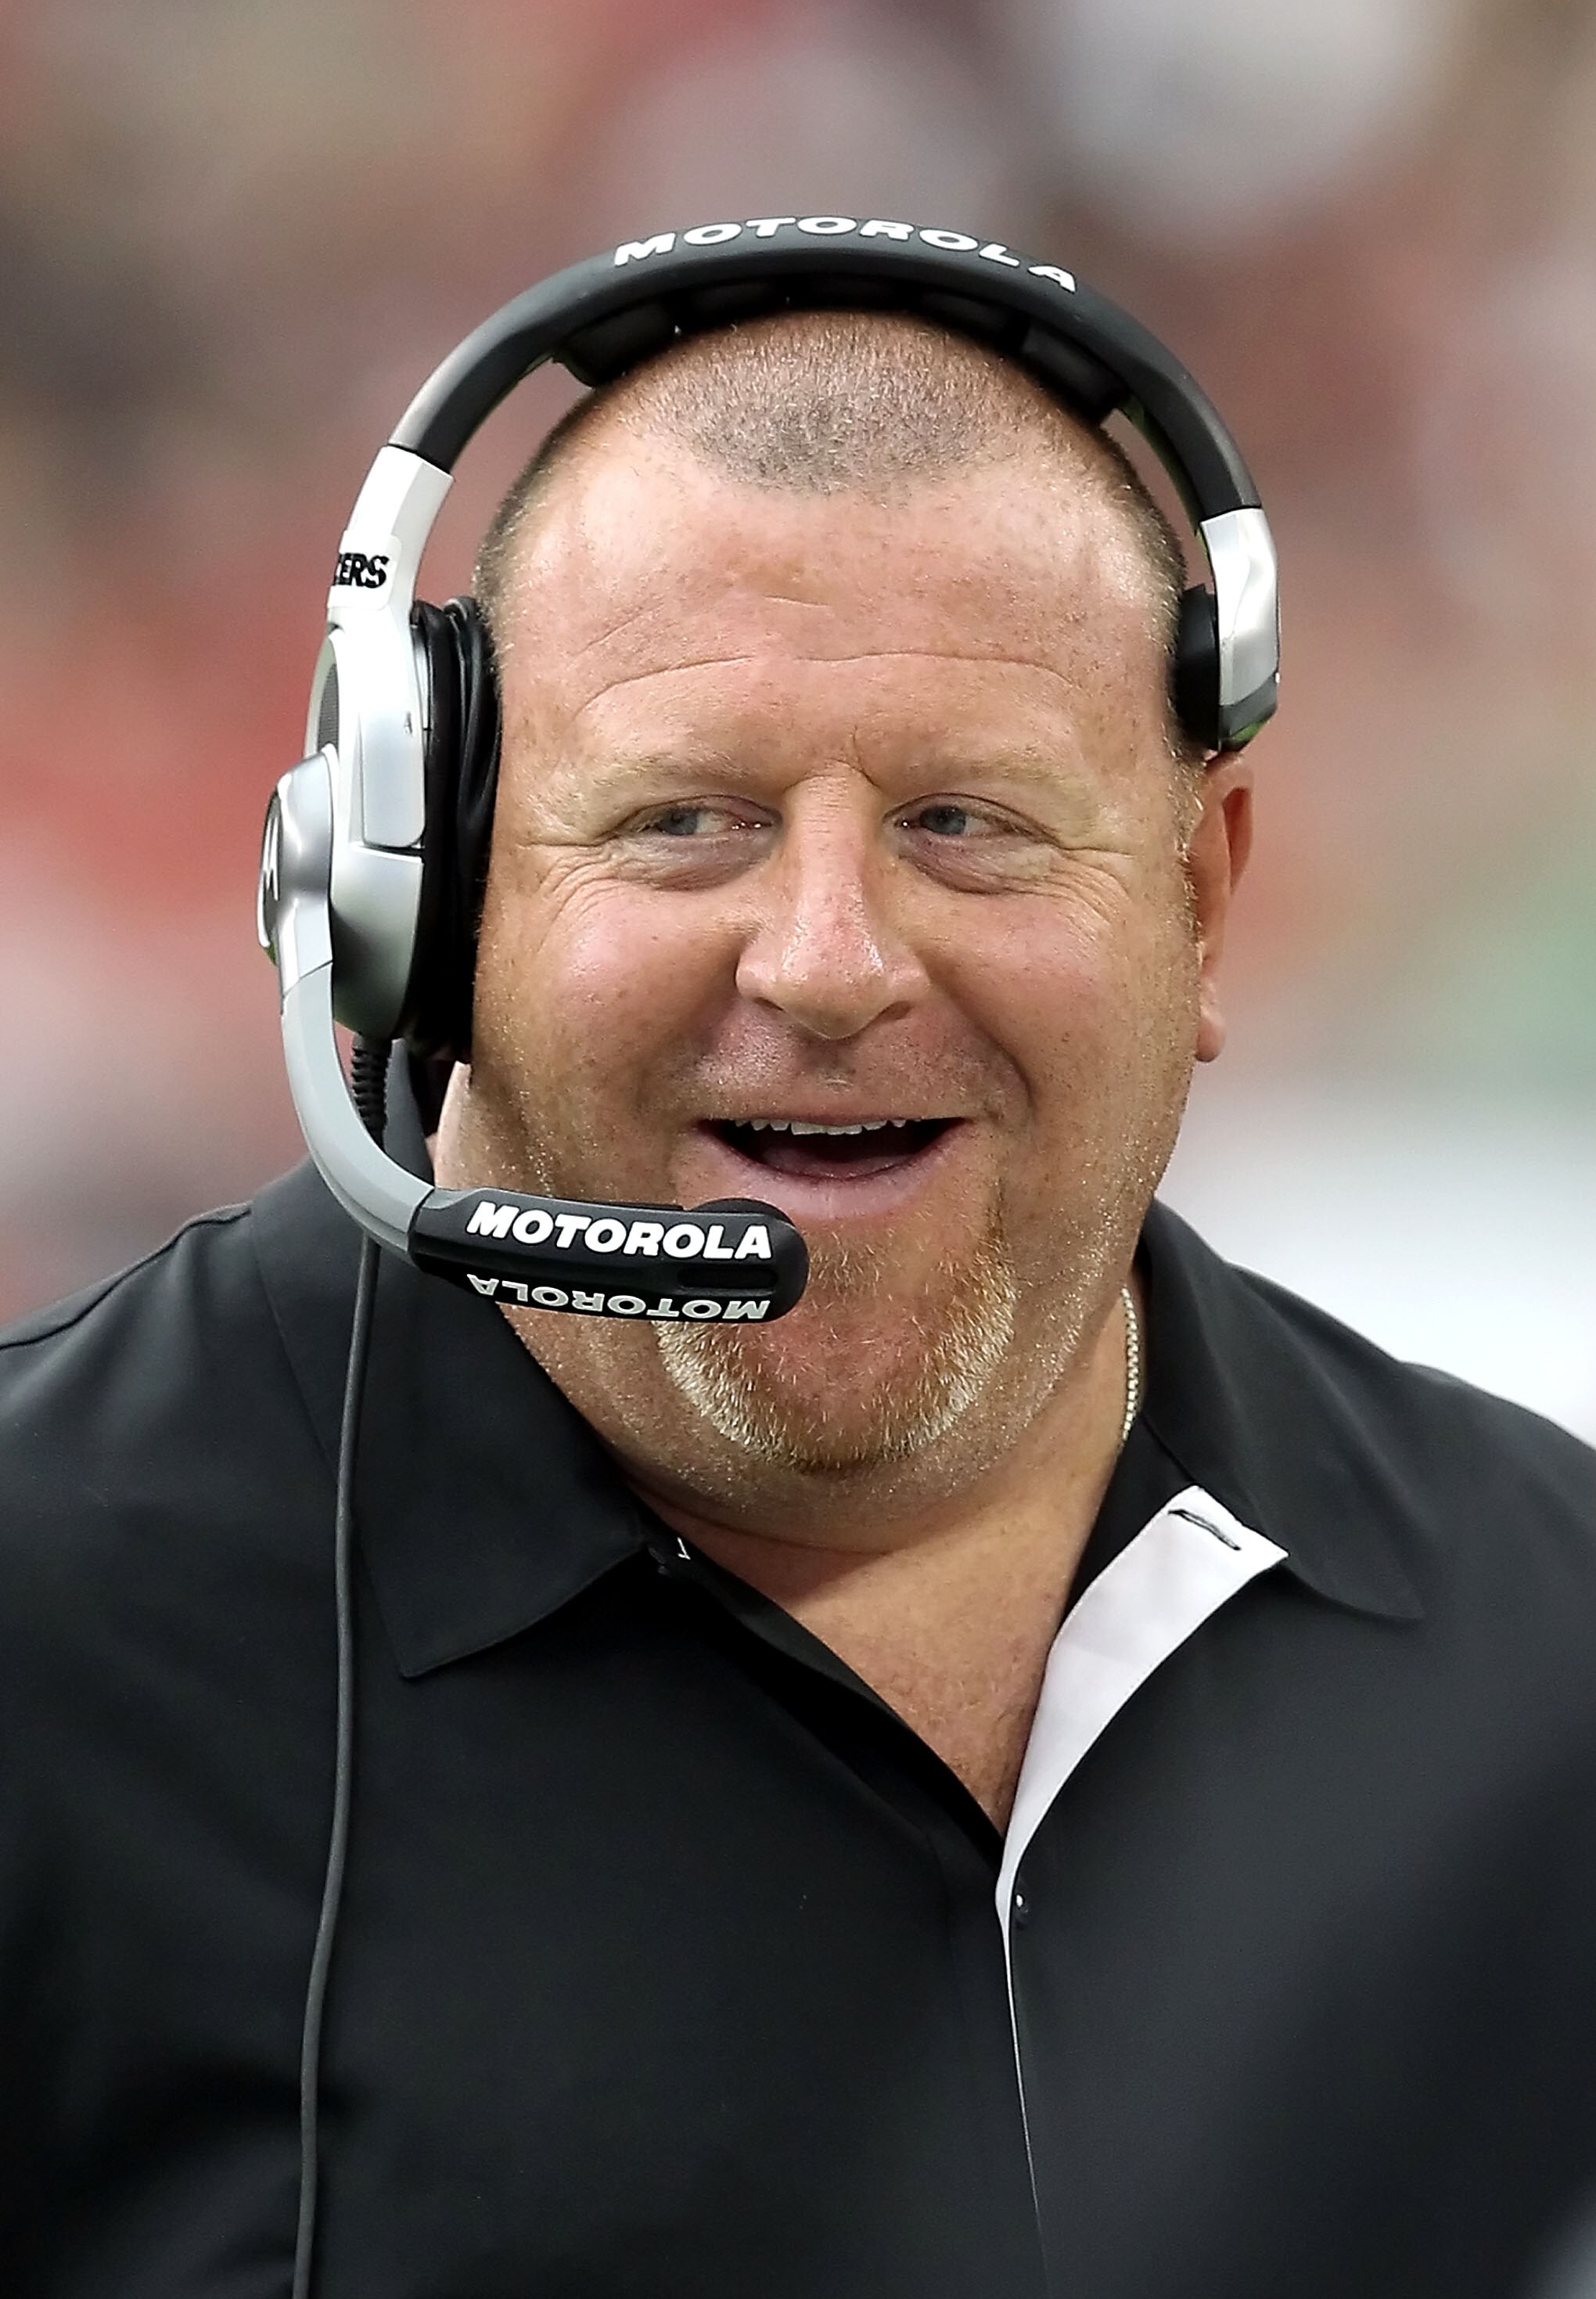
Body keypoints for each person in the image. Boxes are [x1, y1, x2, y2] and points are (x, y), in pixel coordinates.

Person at [2, 302, 1594, 2299]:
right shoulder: (43, 1622)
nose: (830, 962)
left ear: (1204, 899)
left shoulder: (1554, 1642)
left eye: (967, 824)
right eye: (689, 822)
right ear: (420, 897)